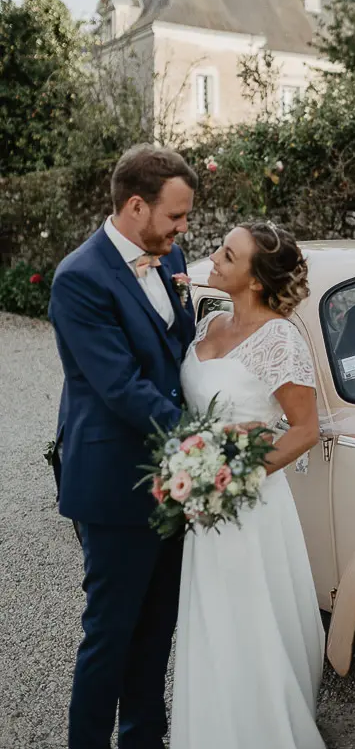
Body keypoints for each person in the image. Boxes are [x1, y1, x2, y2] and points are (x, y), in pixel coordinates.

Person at [48, 144, 198, 749]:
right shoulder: (79, 279)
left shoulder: (171, 257)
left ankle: (143, 737)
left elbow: (179, 351)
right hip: (115, 481)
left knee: (157, 626)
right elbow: (121, 387)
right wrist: (204, 440)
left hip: (176, 477)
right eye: (176, 217)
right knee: (109, 633)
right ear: (136, 205)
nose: (184, 229)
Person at [171, 220, 326, 749]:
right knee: (210, 624)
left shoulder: (279, 339)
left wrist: (234, 473)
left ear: (256, 281)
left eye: (228, 256)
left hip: (246, 505)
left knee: (244, 626)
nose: (213, 258)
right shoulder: (209, 323)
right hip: (201, 500)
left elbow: (305, 430)